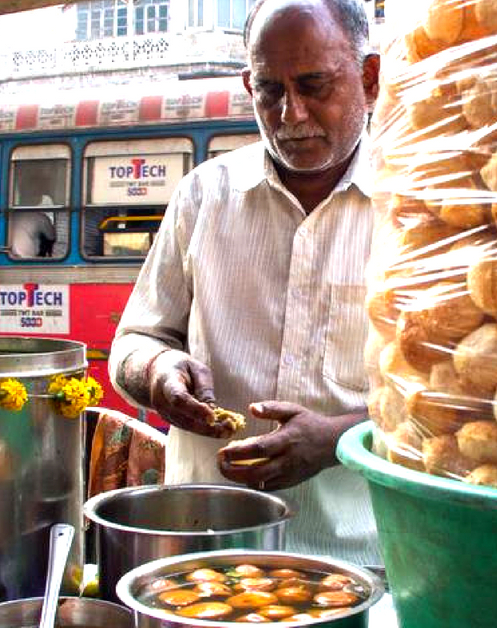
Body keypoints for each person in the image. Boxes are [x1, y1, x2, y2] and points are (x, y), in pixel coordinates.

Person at [109, 0, 381, 565]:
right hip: (205, 545)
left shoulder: (418, 207)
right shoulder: (203, 195)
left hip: (365, 557)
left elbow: (452, 406)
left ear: (370, 78)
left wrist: (336, 439)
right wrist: (158, 373)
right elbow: (134, 343)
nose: (291, 114)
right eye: (269, 91)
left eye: (314, 85)